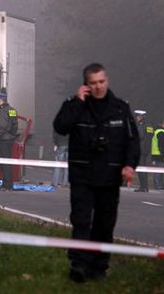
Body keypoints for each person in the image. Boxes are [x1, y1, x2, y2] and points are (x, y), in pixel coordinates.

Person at [53, 63, 139, 283]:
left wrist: (130, 165)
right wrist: (78, 103)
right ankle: (78, 265)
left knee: (104, 223)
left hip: (109, 177)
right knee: (81, 221)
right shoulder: (75, 105)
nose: (98, 87)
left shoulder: (120, 108)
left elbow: (133, 141)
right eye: (93, 83)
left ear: (107, 81)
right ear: (86, 85)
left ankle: (100, 266)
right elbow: (61, 127)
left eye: (101, 82)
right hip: (82, 174)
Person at [0, 91, 18, 191]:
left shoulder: (2, 111)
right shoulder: (12, 110)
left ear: (0, 100)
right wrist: (12, 135)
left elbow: (1, 125)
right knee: (8, 162)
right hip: (9, 139)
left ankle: (6, 185)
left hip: (3, 139)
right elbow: (14, 125)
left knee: (4, 162)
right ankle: (9, 185)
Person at [134, 110, 153, 192]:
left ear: (140, 117)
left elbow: (140, 136)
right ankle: (145, 186)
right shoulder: (149, 126)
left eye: (137, 116)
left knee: (140, 168)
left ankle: (143, 187)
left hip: (140, 149)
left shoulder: (141, 125)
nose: (136, 118)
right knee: (144, 168)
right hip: (147, 149)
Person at [150, 118, 164, 190]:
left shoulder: (157, 131)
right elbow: (161, 145)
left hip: (155, 155)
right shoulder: (161, 132)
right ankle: (159, 186)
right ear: (163, 124)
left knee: (156, 171)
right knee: (159, 171)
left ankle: (157, 185)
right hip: (160, 155)